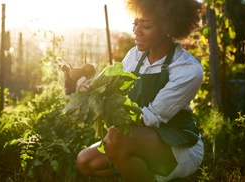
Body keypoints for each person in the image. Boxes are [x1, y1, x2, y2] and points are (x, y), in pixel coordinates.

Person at [74, 0, 204, 181]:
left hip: (177, 145)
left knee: (115, 137)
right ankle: (135, 168)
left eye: (146, 25)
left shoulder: (187, 69)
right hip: (136, 137)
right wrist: (82, 87)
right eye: (135, 24)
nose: (136, 31)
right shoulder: (135, 56)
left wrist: (105, 109)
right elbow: (112, 88)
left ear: (168, 27)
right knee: (85, 161)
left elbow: (150, 118)